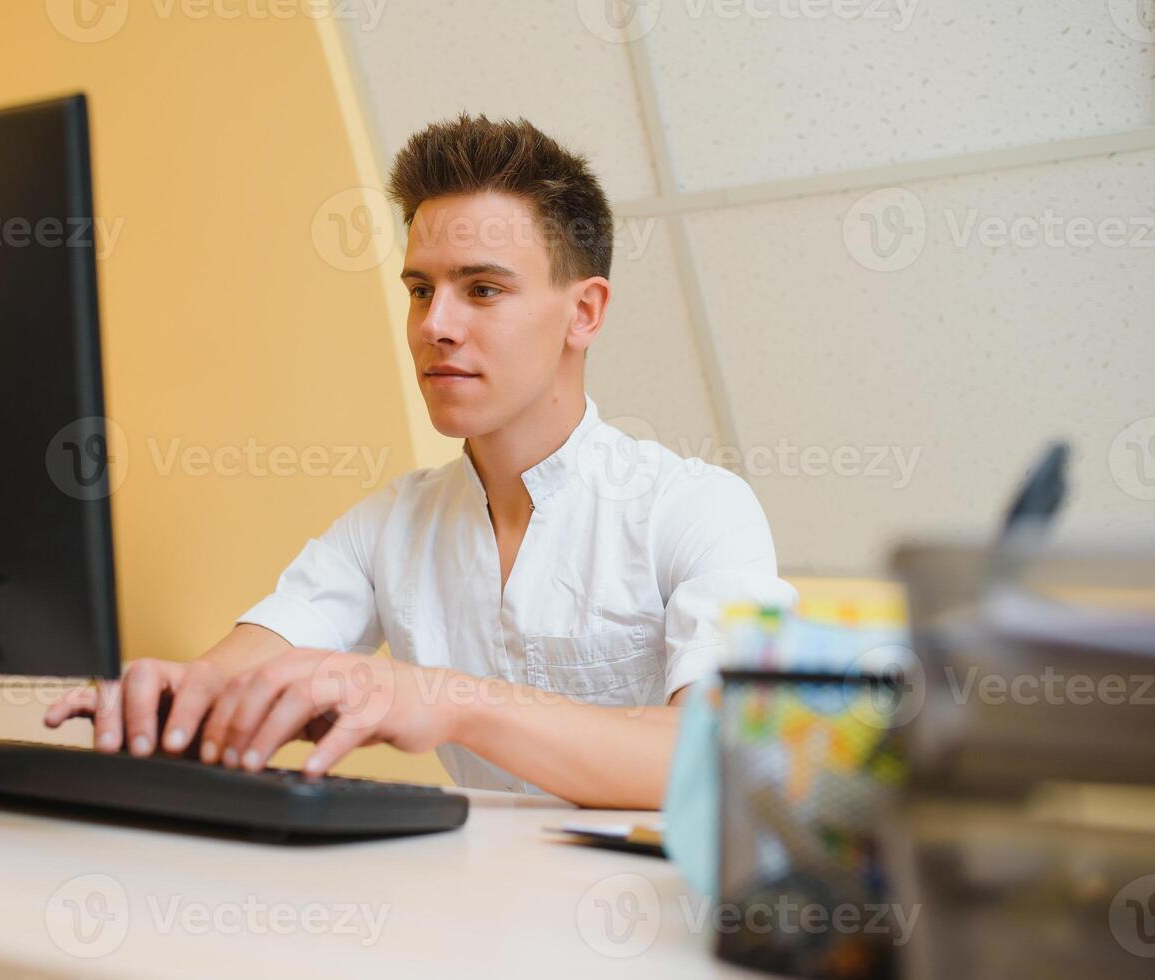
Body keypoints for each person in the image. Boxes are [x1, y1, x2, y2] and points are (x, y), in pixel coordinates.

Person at [46, 114, 795, 808]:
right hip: (467, 921)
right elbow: (228, 672)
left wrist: (443, 698)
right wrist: (167, 693)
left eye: (481, 289)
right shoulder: (388, 526)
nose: (435, 325)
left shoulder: (699, 509)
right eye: (419, 290)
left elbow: (723, 758)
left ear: (585, 312)